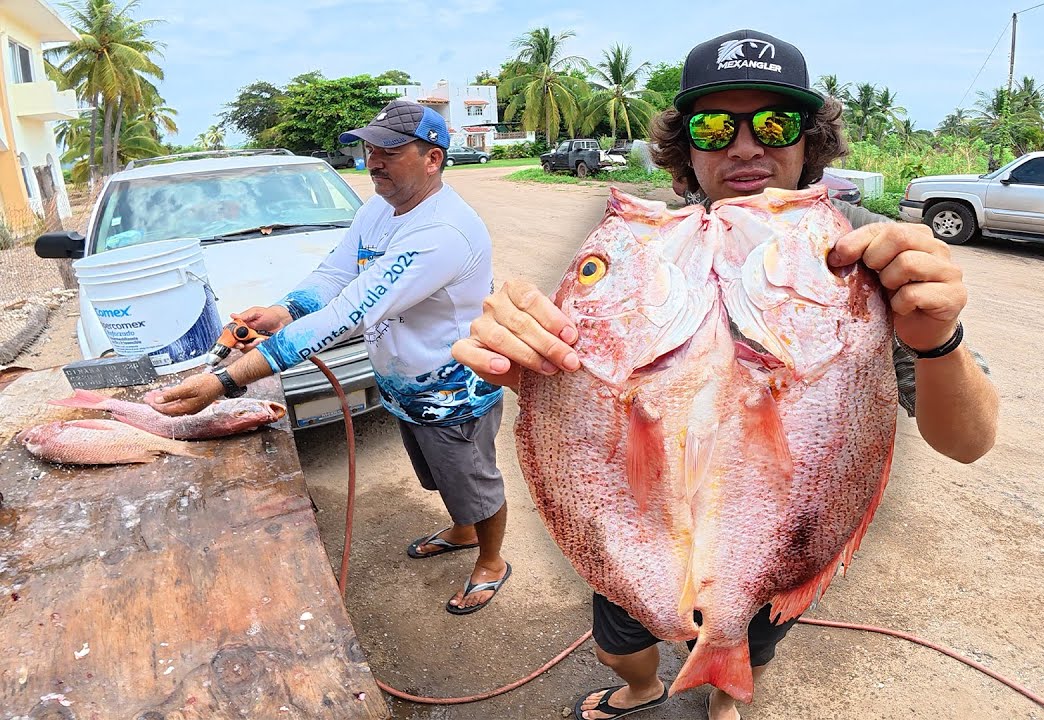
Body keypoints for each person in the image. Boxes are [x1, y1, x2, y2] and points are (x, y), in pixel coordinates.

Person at [452, 29, 1000, 720]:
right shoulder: (651, 237)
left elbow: (970, 442)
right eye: (714, 126)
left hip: (775, 522)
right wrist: (534, 367)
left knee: (748, 639)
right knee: (621, 640)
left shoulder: (859, 247)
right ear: (686, 147)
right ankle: (643, 687)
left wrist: (938, 340)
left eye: (775, 124)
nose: (744, 146)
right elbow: (597, 395)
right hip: (642, 518)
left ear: (809, 141)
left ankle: (723, 693)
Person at [150, 100, 513, 615]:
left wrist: (226, 382)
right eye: (369, 149)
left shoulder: (442, 233)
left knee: (475, 482)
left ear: (433, 158)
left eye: (390, 151)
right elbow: (336, 274)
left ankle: (491, 561)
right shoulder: (379, 208)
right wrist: (284, 310)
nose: (373, 161)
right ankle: (463, 529)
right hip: (405, 384)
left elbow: (347, 313)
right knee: (441, 477)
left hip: (452, 391)